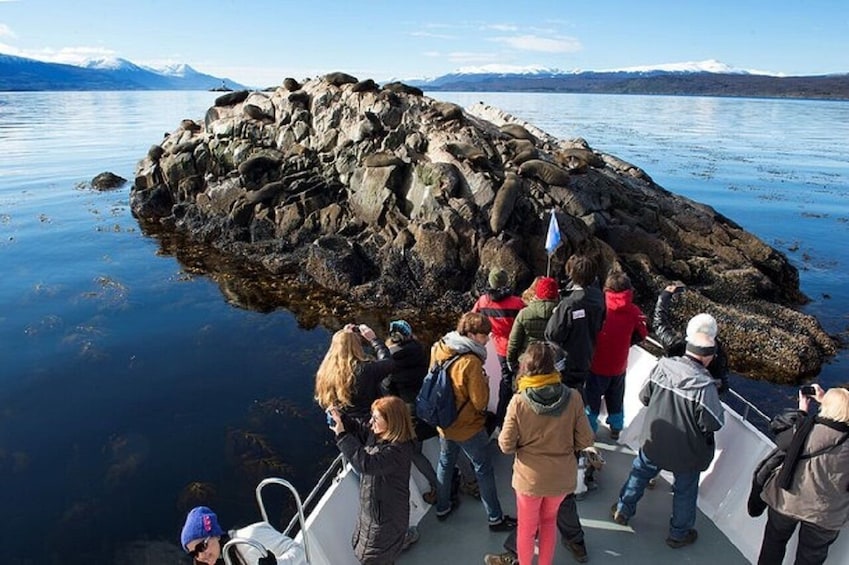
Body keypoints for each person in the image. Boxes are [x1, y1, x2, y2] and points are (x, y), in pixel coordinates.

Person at [611, 326, 725, 549]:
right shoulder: (705, 387)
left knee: (639, 475)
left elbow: (644, 396)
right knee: (684, 492)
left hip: (654, 443)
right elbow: (714, 423)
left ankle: (623, 510)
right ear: (707, 357)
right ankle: (678, 534)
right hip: (687, 454)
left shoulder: (662, 368)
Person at [489, 342, 595, 565]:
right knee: (548, 523)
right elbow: (586, 439)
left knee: (527, 529)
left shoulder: (518, 401)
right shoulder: (573, 397)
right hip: (561, 477)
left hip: (530, 479)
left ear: (526, 366)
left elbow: (506, 445)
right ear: (555, 368)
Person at [432, 311, 516, 531]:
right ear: (470, 333)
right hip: (467, 427)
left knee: (445, 463)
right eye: (483, 335)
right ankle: (495, 518)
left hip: (444, 422)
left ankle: (442, 507)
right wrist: (486, 382)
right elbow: (480, 403)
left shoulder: (439, 347)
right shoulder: (470, 362)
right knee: (483, 470)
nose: (487, 339)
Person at [756, 385, 849, 565]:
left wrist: (802, 409)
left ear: (826, 407)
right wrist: (832, 402)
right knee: (810, 558)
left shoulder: (804, 428)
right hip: (826, 515)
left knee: (773, 544)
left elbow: (781, 437)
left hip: (788, 501)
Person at [329, 395, 416, 564]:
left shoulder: (397, 451)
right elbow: (362, 430)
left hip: (386, 519)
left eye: (375, 418)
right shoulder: (380, 436)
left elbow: (367, 464)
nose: (370, 421)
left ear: (391, 422)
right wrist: (342, 419)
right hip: (377, 513)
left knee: (373, 557)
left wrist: (342, 436)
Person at [379, 319, 439, 504]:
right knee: (448, 440)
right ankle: (468, 479)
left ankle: (438, 487)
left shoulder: (390, 362)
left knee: (414, 452)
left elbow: (387, 389)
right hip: (432, 403)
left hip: (412, 413)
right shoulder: (420, 349)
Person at [586, 272, 648, 440]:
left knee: (592, 400)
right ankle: (616, 428)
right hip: (619, 365)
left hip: (597, 363)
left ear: (607, 288)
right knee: (616, 398)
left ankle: (588, 429)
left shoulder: (599, 307)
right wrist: (627, 343)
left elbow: (589, 330)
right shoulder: (634, 311)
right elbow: (643, 333)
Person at [472, 267, 526, 426]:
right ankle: (505, 418)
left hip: (498, 345)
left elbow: (473, 317)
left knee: (507, 380)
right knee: (511, 382)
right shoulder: (517, 303)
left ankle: (502, 418)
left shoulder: (483, 301)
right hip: (516, 346)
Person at [652, 283, 729, 393]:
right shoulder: (719, 355)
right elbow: (723, 386)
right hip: (697, 397)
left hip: (669, 387)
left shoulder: (675, 344)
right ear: (714, 333)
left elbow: (659, 323)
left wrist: (665, 295)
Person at [544, 255, 605, 392]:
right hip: (587, 356)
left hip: (568, 362)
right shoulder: (599, 299)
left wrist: (557, 313)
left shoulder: (569, 304)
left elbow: (552, 334)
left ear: (573, 275)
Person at [314, 323, 394, 423]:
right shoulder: (365, 369)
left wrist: (344, 335)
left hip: (344, 425)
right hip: (369, 423)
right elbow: (389, 363)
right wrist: (374, 340)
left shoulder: (324, 372)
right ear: (357, 346)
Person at [506, 276, 559, 373]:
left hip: (527, 360)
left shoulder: (524, 313)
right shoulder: (562, 314)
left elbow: (514, 342)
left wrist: (510, 360)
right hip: (552, 362)